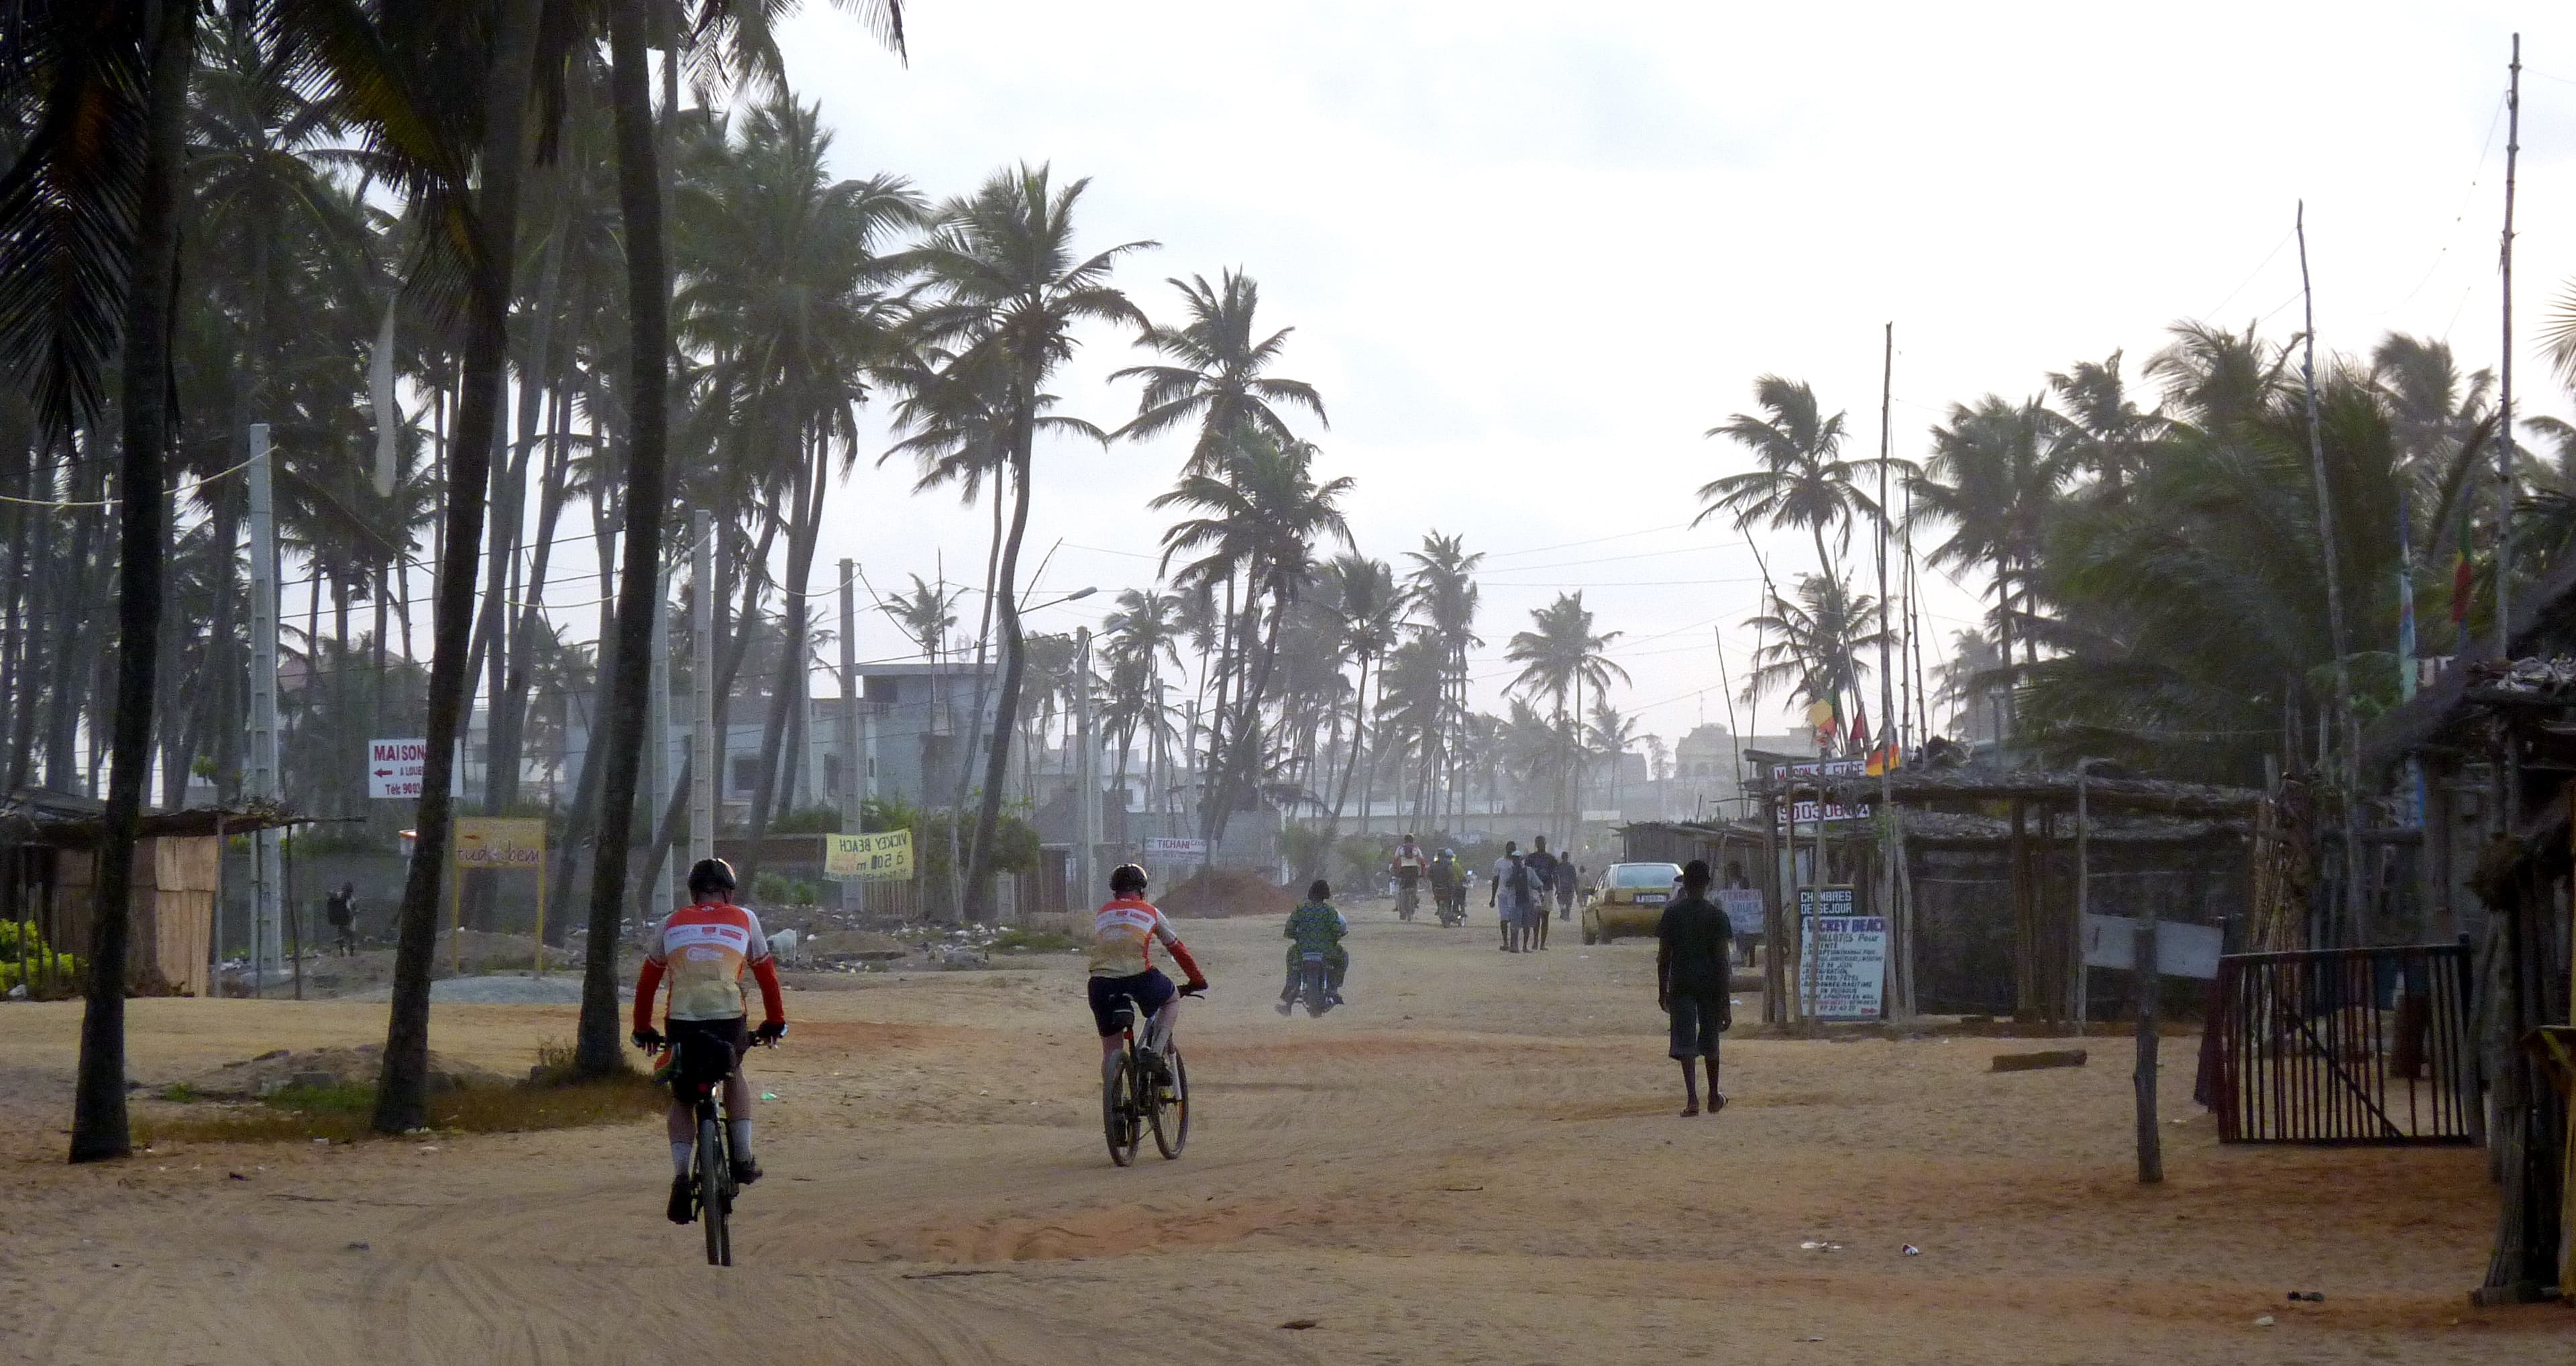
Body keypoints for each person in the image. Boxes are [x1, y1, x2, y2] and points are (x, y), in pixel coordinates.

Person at [631, 857, 786, 1224]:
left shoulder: (669, 923)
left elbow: (647, 983)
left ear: (693, 894)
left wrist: (643, 1029)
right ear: (729, 892)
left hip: (681, 1021)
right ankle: (744, 1157)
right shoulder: (746, 918)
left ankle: (682, 1176)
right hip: (728, 1019)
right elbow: (767, 977)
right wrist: (775, 1022)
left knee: (682, 1098)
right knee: (734, 1075)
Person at [1087, 863, 1208, 1087]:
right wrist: (1197, 980)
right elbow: (1177, 948)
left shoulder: (1103, 912)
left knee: (1110, 1050)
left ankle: (1114, 1105)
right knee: (1171, 999)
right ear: (1142, 890)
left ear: (1115, 891)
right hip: (1138, 978)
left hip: (1100, 984)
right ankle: (1155, 1053)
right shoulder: (1150, 911)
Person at [1656, 859, 1735, 1117]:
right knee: (1711, 1041)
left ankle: (1693, 1101)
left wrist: (1662, 990)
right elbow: (1723, 962)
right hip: (1711, 987)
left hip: (1682, 985)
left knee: (1685, 1043)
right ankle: (1713, 1096)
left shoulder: (1673, 913)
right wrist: (1725, 1003)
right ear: (1706, 884)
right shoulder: (1716, 916)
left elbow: (1664, 956)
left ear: (1685, 884)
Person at [1277, 879, 1350, 1012]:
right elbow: (1337, 931)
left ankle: (1292, 985)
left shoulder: (1300, 909)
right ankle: (1333, 988)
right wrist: (1333, 939)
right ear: (1326, 894)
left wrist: (1299, 938)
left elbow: (1289, 931)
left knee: (1291, 956)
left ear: (1310, 893)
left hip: (1302, 950)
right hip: (1327, 952)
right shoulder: (1330, 911)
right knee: (1344, 956)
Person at [1489, 841, 1531, 952]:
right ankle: (1505, 942)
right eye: (1509, 849)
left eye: (1513, 849)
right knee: (1504, 919)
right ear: (1506, 849)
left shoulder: (1520, 865)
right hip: (1503, 895)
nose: (1511, 851)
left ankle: (1514, 943)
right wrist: (1492, 897)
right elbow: (1496, 880)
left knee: (1514, 920)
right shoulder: (1499, 863)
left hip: (1515, 896)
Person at [1523, 838, 1558, 951]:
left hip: (1547, 889)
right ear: (1536, 844)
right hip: (1535, 890)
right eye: (1539, 843)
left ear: (1545, 844)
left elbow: (1555, 874)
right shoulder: (1531, 858)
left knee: (1545, 916)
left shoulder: (1551, 859)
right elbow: (1526, 873)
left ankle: (1542, 943)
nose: (1541, 845)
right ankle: (1536, 942)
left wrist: (1558, 888)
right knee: (1536, 916)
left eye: (1542, 843)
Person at [1428, 849, 1463, 919]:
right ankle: (1453, 910)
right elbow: (1451, 874)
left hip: (1436, 885)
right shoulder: (1450, 863)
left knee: (1437, 895)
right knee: (1453, 896)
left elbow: (1429, 874)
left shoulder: (1433, 864)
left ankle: (1440, 908)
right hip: (1447, 885)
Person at [323, 882, 357, 955]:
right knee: (343, 933)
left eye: (348, 891)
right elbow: (332, 896)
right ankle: (342, 950)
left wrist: (352, 915)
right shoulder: (340, 895)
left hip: (349, 918)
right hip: (342, 917)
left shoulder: (352, 899)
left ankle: (351, 950)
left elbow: (354, 909)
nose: (347, 893)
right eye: (346, 891)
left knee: (351, 934)